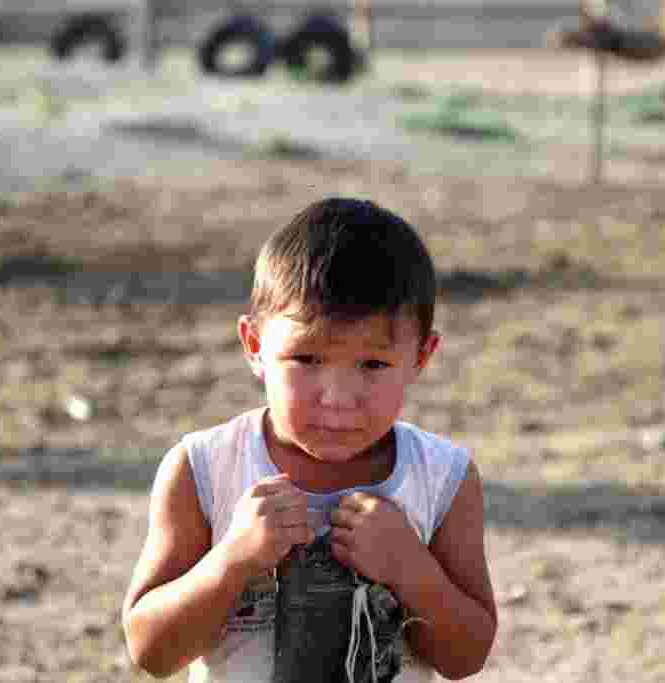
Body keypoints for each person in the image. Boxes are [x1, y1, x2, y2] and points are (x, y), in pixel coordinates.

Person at [122, 197, 497, 682]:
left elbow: (465, 658)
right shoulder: (205, 469)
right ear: (255, 346)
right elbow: (151, 651)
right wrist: (233, 560)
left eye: (374, 365)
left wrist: (410, 569)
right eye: (306, 359)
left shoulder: (442, 477)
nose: (338, 398)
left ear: (422, 357)